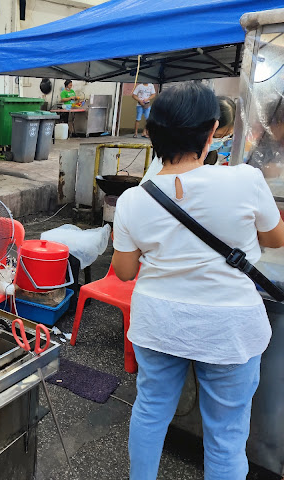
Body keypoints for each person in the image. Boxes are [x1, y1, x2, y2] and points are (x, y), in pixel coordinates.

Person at [112, 82, 284, 479]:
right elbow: (276, 239)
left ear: (151, 133)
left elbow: (123, 271)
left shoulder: (134, 200)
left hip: (158, 323)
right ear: (211, 132)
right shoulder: (245, 180)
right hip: (231, 328)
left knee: (151, 411)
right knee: (226, 434)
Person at [141, 95, 236, 182]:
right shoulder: (175, 156)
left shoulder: (211, 156)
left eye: (227, 136)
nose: (220, 141)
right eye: (217, 136)